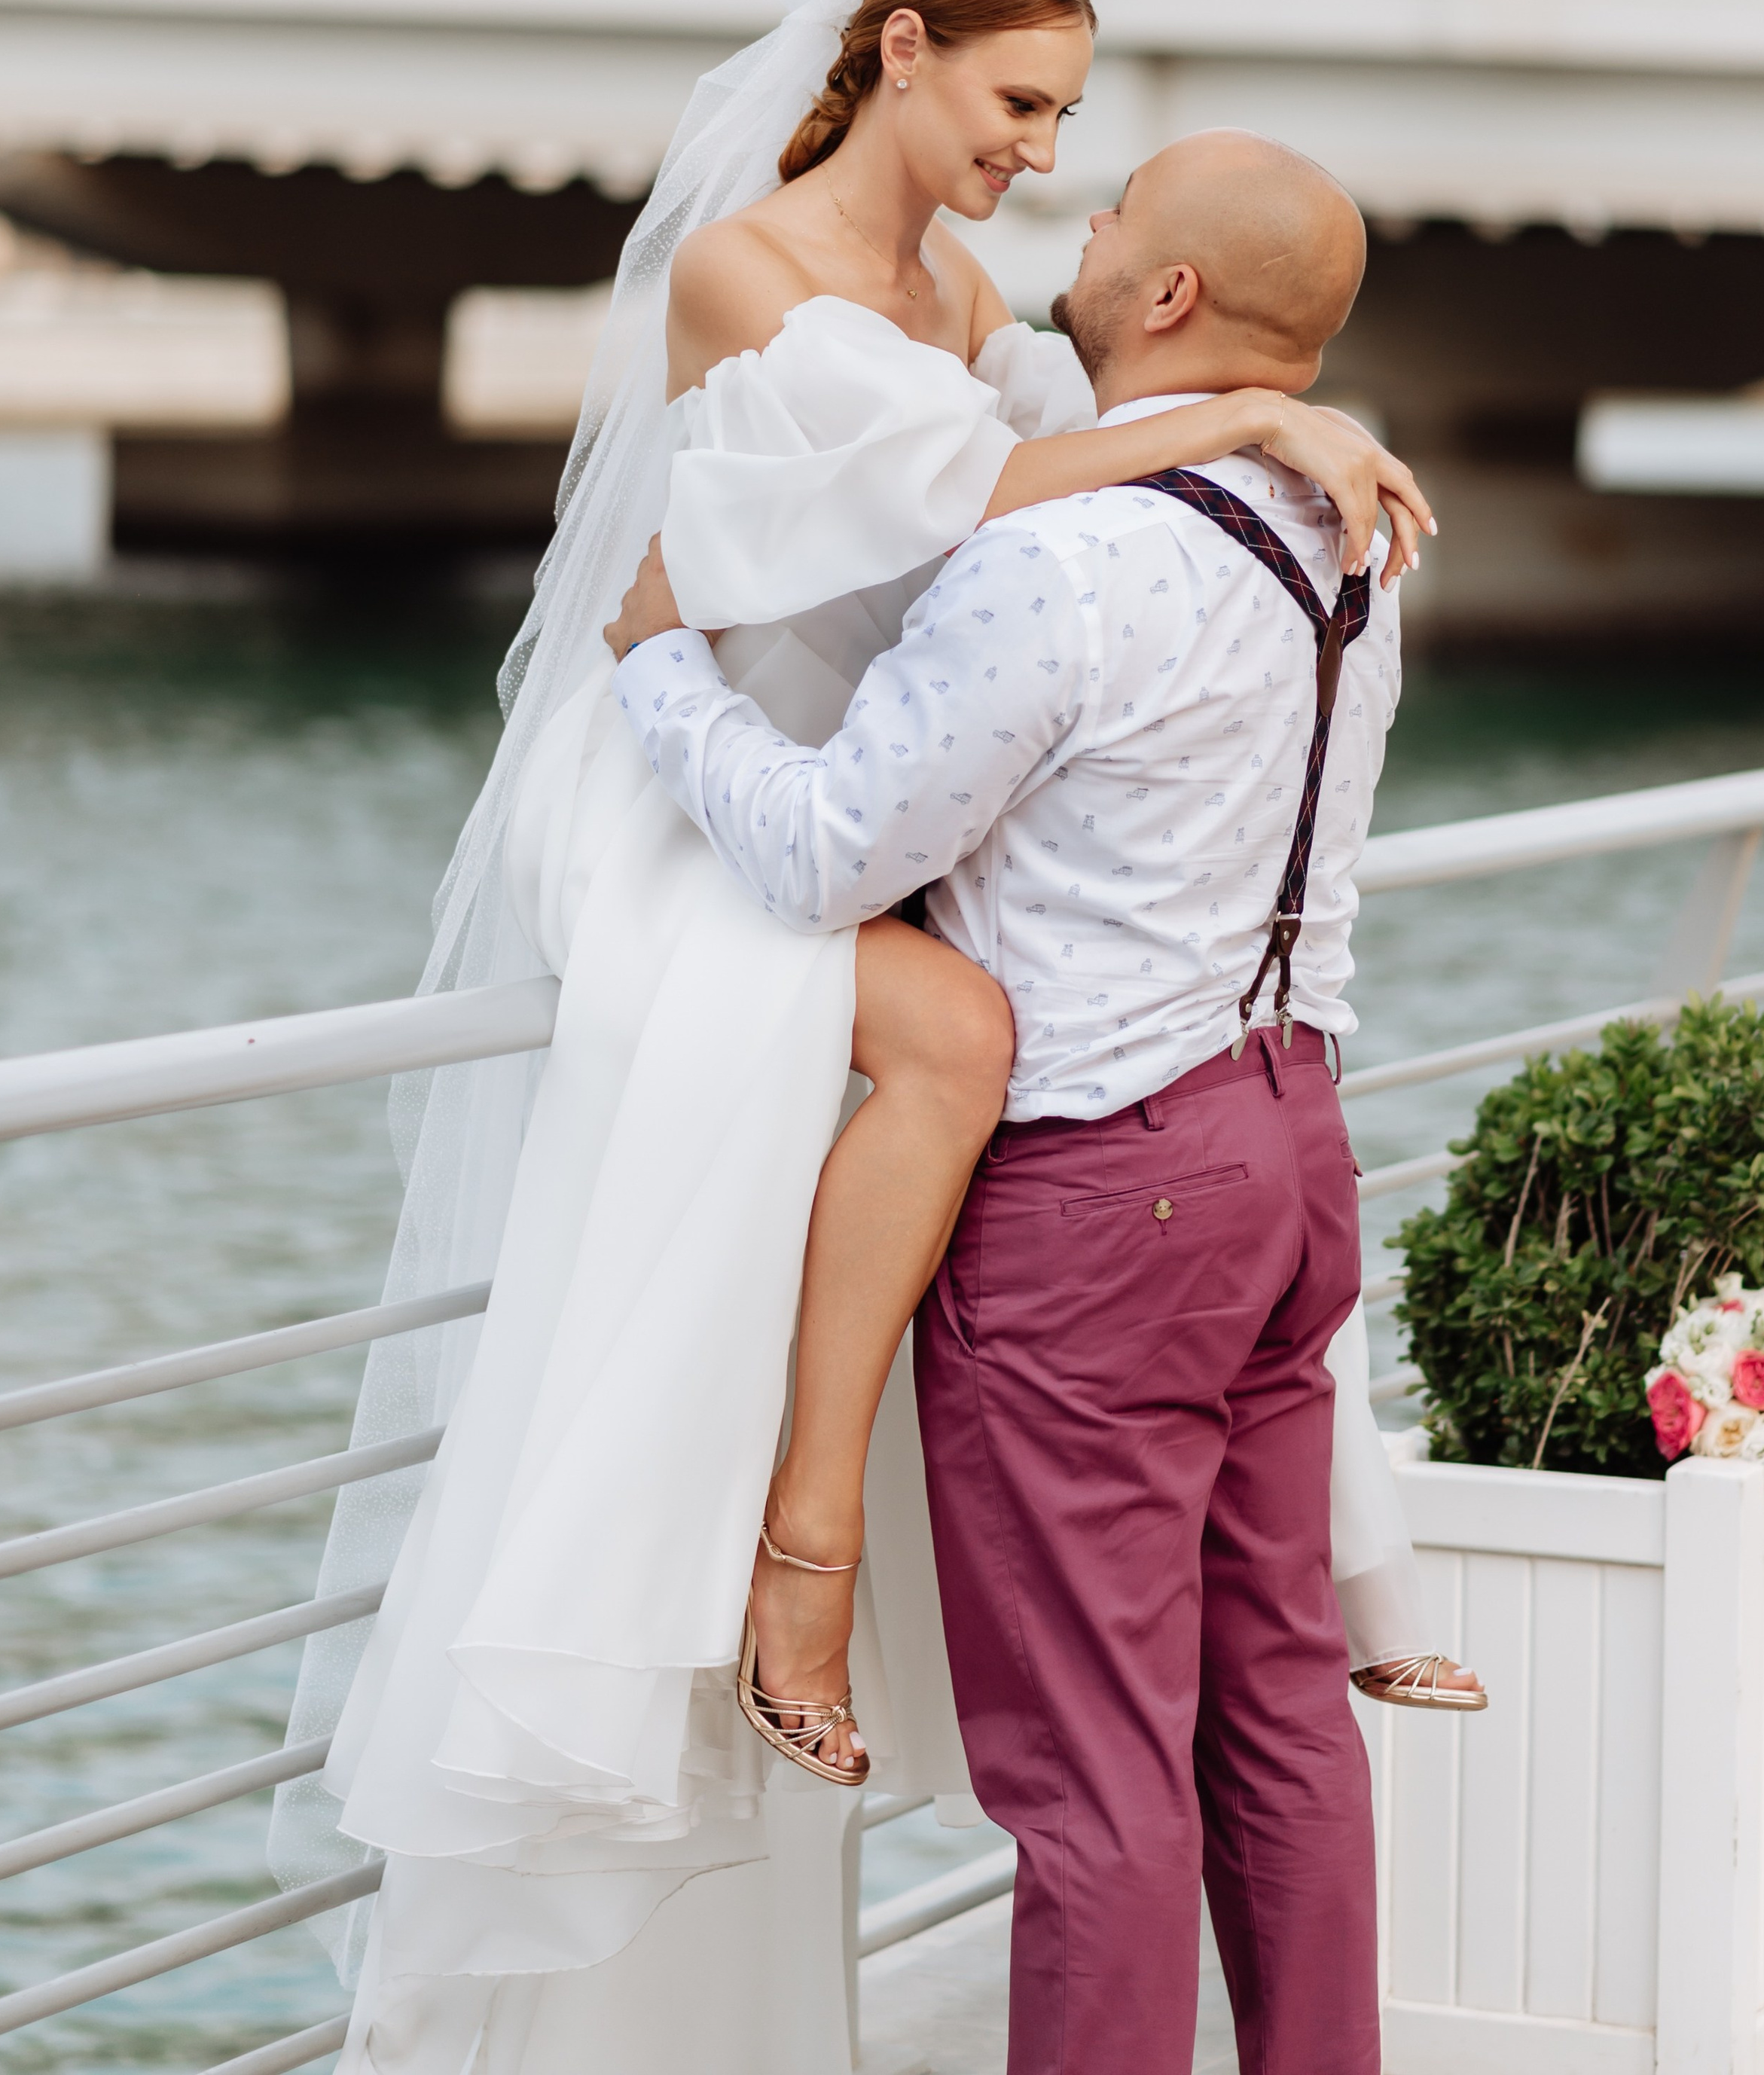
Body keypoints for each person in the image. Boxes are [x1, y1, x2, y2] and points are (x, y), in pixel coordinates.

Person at [276, 0, 1461, 2075]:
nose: (1043, 159)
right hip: (705, 781)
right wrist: (1265, 427)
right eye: (1024, 103)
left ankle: (803, 1540)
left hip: (857, 821)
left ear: (1161, 290)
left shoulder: (984, 318)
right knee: (1249, 1678)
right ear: (899, 51)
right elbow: (979, 487)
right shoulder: (755, 269)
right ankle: (799, 1535)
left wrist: (1238, 417)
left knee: (1105, 1766)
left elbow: (1006, 509)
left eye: (1075, 136)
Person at [615, 127, 1408, 2075]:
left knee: (1096, 1777)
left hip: (1106, 1191)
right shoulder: (1341, 539)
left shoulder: (1058, 563)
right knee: (1283, 1710)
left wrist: (661, 678)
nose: (1085, 208)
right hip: (1290, 1143)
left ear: (1168, 299)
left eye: (1118, 202)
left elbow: (819, 854)